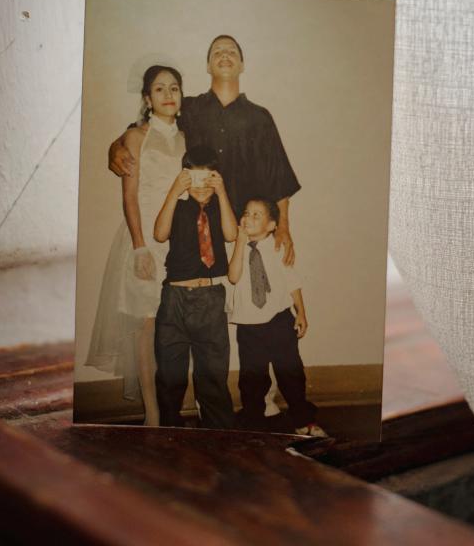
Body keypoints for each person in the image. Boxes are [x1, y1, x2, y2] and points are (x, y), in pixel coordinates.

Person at [110, 35, 300, 266]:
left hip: (245, 231)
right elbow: (147, 131)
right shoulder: (189, 109)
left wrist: (284, 228)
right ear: (208, 66)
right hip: (198, 232)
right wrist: (115, 147)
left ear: (242, 65)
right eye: (217, 51)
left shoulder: (260, 118)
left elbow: (278, 177)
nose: (224, 54)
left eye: (231, 51)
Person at [85, 65, 186, 426]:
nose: (168, 95)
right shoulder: (135, 138)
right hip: (143, 238)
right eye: (159, 89)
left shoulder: (189, 137)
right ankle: (152, 412)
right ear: (147, 98)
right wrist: (140, 247)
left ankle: (178, 404)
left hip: (180, 241)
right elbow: (129, 197)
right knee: (145, 324)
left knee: (174, 326)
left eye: (174, 88)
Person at [152, 145, 238, 429]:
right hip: (174, 298)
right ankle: (169, 433)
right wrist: (174, 191)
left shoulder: (219, 207)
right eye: (195, 179)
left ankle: (220, 436)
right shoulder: (178, 206)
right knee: (169, 374)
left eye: (208, 180)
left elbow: (231, 234)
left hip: (210, 298)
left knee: (213, 374)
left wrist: (222, 193)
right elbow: (160, 233)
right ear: (186, 177)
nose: (202, 187)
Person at [228, 198, 326, 437]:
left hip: (279, 320)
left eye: (256, 215)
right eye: (246, 213)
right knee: (252, 380)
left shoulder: (277, 246)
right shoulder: (237, 248)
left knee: (290, 372)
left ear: (272, 225)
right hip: (249, 327)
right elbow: (233, 277)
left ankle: (304, 420)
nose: (248, 218)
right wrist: (240, 243)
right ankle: (254, 424)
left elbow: (292, 281)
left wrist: (301, 311)